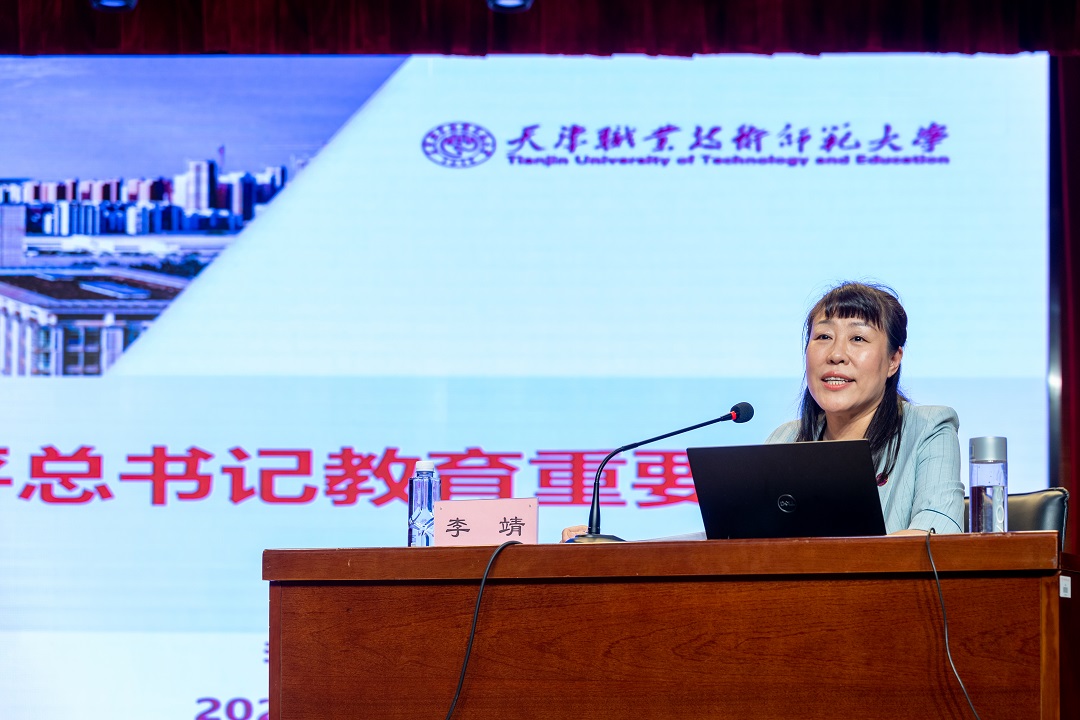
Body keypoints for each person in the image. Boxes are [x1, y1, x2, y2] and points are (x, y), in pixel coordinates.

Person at [561, 281, 962, 542]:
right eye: (823, 337)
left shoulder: (928, 428)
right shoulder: (786, 439)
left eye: (858, 338)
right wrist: (615, 548)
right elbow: (734, 542)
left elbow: (939, 532)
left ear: (893, 360)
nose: (836, 354)